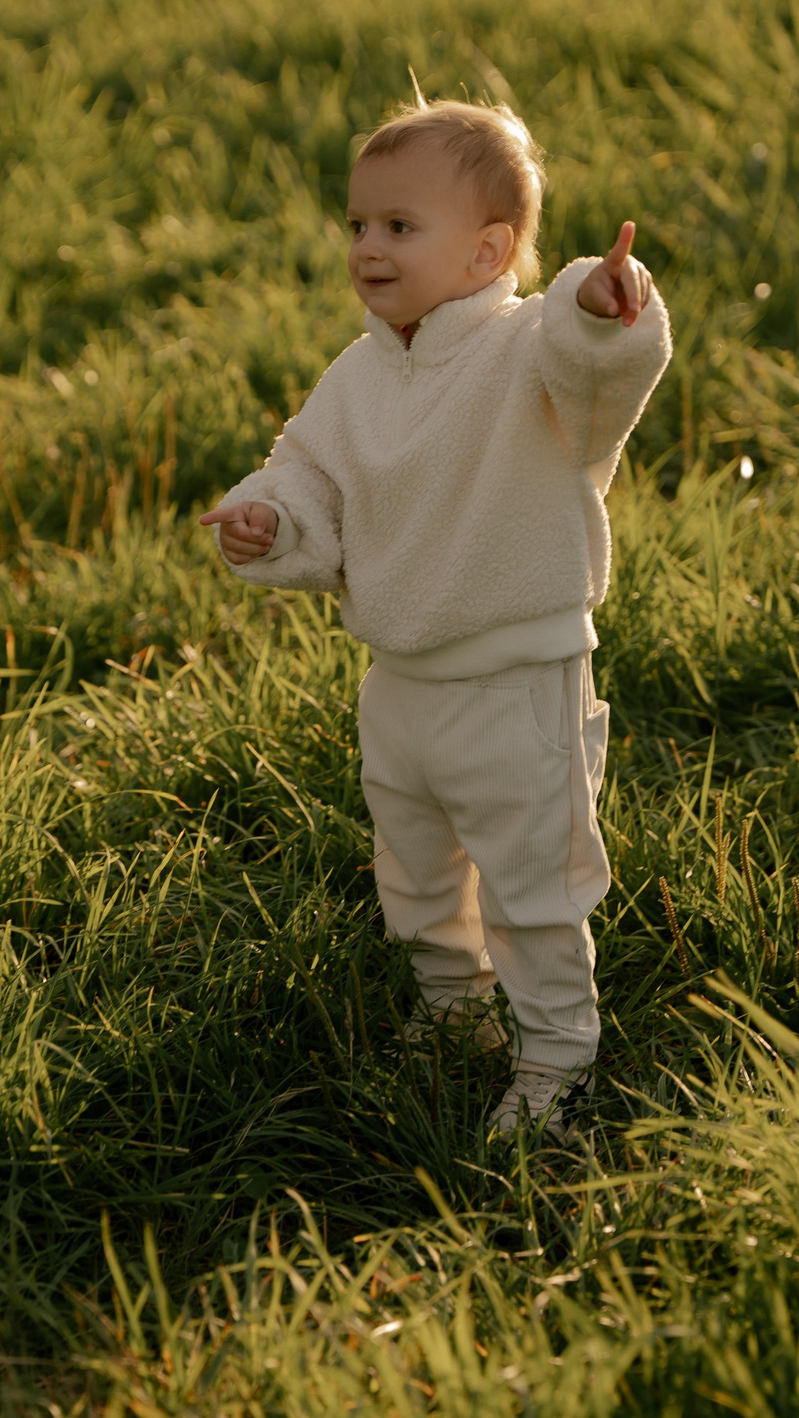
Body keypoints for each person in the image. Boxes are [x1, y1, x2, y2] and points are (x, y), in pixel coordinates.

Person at [199, 97, 670, 1137]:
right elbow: (311, 472)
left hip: (513, 684)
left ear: (486, 251)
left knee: (530, 879)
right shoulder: (359, 374)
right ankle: (453, 1014)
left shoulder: (526, 352)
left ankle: (557, 1058)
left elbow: (599, 381)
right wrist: (270, 520)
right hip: (400, 683)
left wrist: (598, 311)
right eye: (358, 225)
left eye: (399, 227)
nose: (368, 246)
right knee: (413, 870)